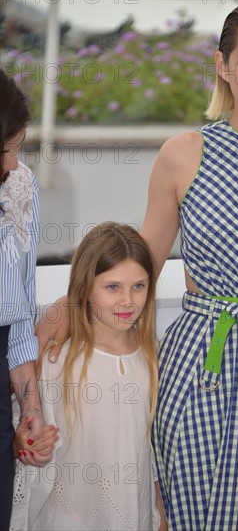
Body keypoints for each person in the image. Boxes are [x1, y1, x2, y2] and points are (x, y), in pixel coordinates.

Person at [36, 0, 238, 531]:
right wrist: (71, 307)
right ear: (223, 66)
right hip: (204, 367)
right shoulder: (184, 154)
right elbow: (143, 264)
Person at [11, 222, 166, 530]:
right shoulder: (57, 361)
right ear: (84, 287)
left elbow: (156, 456)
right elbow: (24, 433)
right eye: (112, 287)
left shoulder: (154, 358)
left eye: (139, 286)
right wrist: (26, 445)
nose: (128, 301)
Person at [0, 69, 57, 531]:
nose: (14, 163)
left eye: (17, 147)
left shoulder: (19, 189)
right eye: (5, 150)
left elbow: (19, 321)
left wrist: (30, 410)